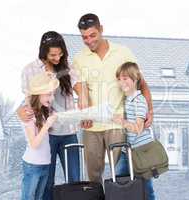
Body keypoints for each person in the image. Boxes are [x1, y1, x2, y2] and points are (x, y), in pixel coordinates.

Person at [73, 13, 154, 183]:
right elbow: (80, 90)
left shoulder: (123, 52)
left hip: (117, 125)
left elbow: (142, 84)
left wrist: (150, 111)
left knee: (121, 175)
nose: (89, 41)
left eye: (93, 35)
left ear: (101, 29)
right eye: (84, 37)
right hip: (92, 127)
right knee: (93, 179)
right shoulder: (79, 59)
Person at [17, 31, 91, 200]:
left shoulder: (67, 68)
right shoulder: (30, 70)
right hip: (46, 135)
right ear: (44, 53)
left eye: (60, 54)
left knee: (75, 181)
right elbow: (27, 101)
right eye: (53, 55)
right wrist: (20, 112)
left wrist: (85, 107)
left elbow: (82, 89)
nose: (57, 58)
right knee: (46, 184)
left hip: (68, 133)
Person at [113, 62, 156, 199]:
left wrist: (122, 121)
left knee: (146, 187)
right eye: (119, 79)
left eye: (125, 78)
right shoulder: (127, 100)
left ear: (135, 79)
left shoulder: (139, 100)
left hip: (142, 151)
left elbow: (138, 128)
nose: (121, 82)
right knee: (118, 180)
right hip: (129, 150)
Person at [21, 72, 59, 200]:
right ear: (38, 94)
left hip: (45, 164)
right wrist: (47, 125)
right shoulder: (28, 114)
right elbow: (34, 144)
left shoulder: (43, 112)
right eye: (49, 94)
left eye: (53, 93)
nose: (52, 97)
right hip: (33, 165)